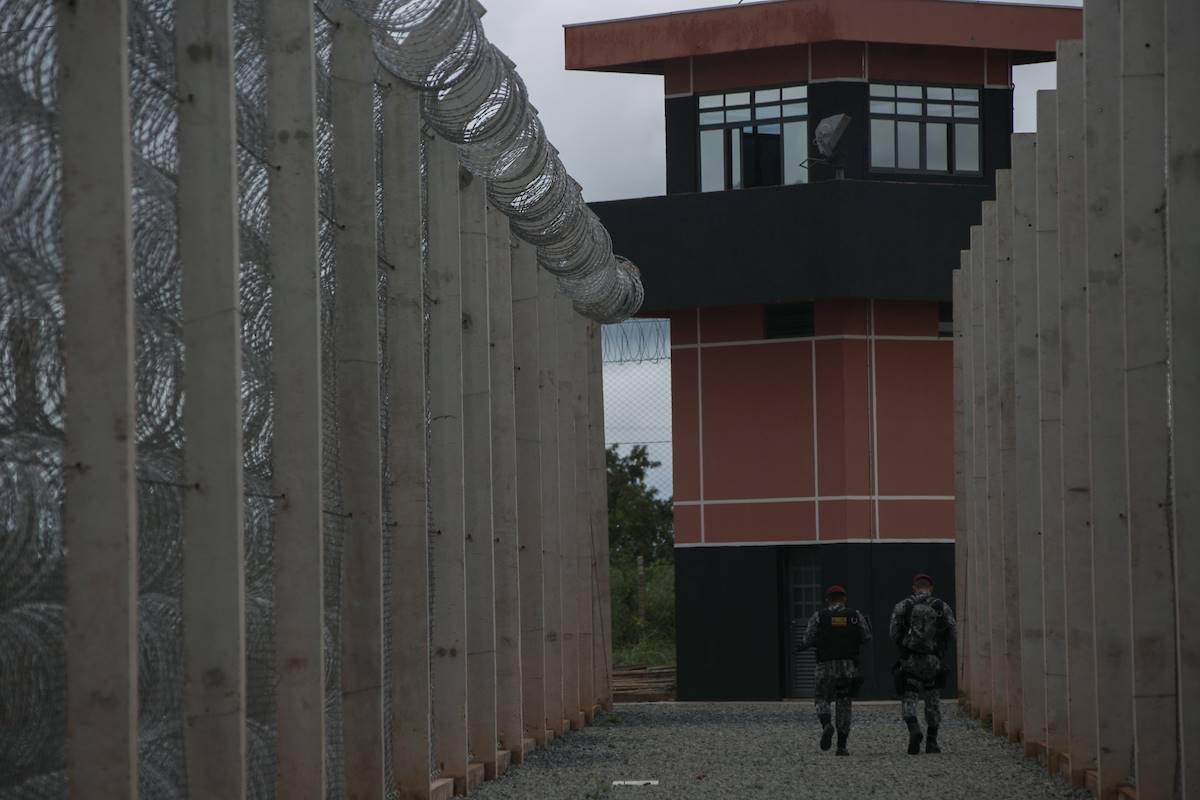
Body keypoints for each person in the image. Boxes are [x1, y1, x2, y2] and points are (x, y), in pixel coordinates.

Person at [798, 584, 872, 756]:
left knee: (821, 698)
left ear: (827, 600)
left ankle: (826, 724)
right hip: (848, 667)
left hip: (824, 665)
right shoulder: (855, 615)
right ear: (844, 598)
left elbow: (806, 639)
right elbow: (867, 637)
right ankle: (842, 746)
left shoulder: (819, 616)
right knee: (844, 703)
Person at [889, 573, 957, 755]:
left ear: (914, 587)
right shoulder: (942, 607)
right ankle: (932, 742)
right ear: (931, 587)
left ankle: (914, 728)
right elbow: (953, 633)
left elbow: (893, 633)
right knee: (932, 700)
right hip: (933, 660)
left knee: (909, 696)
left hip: (910, 659)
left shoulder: (903, 606)